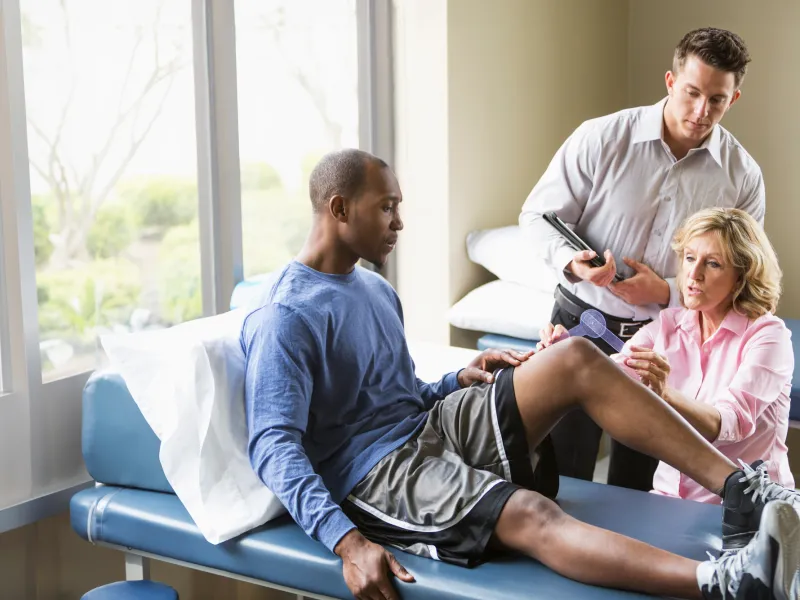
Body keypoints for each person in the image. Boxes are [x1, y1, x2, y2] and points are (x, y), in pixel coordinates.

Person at [241, 149, 799, 600]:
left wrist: (456, 380)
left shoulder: (374, 290)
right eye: (387, 207)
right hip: (377, 473)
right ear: (340, 209)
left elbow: (396, 393)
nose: (400, 222)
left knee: (574, 356)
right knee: (533, 511)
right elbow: (273, 447)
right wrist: (346, 543)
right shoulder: (287, 315)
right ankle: (724, 584)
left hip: (431, 426)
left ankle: (743, 489)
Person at [518, 27, 766, 492]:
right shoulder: (601, 137)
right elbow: (536, 215)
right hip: (578, 331)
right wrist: (574, 262)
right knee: (561, 482)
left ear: (733, 100)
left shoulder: (743, 177)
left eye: (716, 99)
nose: (700, 111)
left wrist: (668, 291)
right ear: (671, 82)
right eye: (692, 93)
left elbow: (743, 276)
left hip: (666, 348)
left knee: (643, 488)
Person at [540, 208, 794, 515]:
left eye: (712, 263)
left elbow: (730, 423)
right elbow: (611, 374)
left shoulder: (768, 336)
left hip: (747, 509)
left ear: (742, 275)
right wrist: (560, 354)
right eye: (689, 258)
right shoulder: (668, 324)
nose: (693, 274)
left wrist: (666, 394)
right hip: (666, 499)